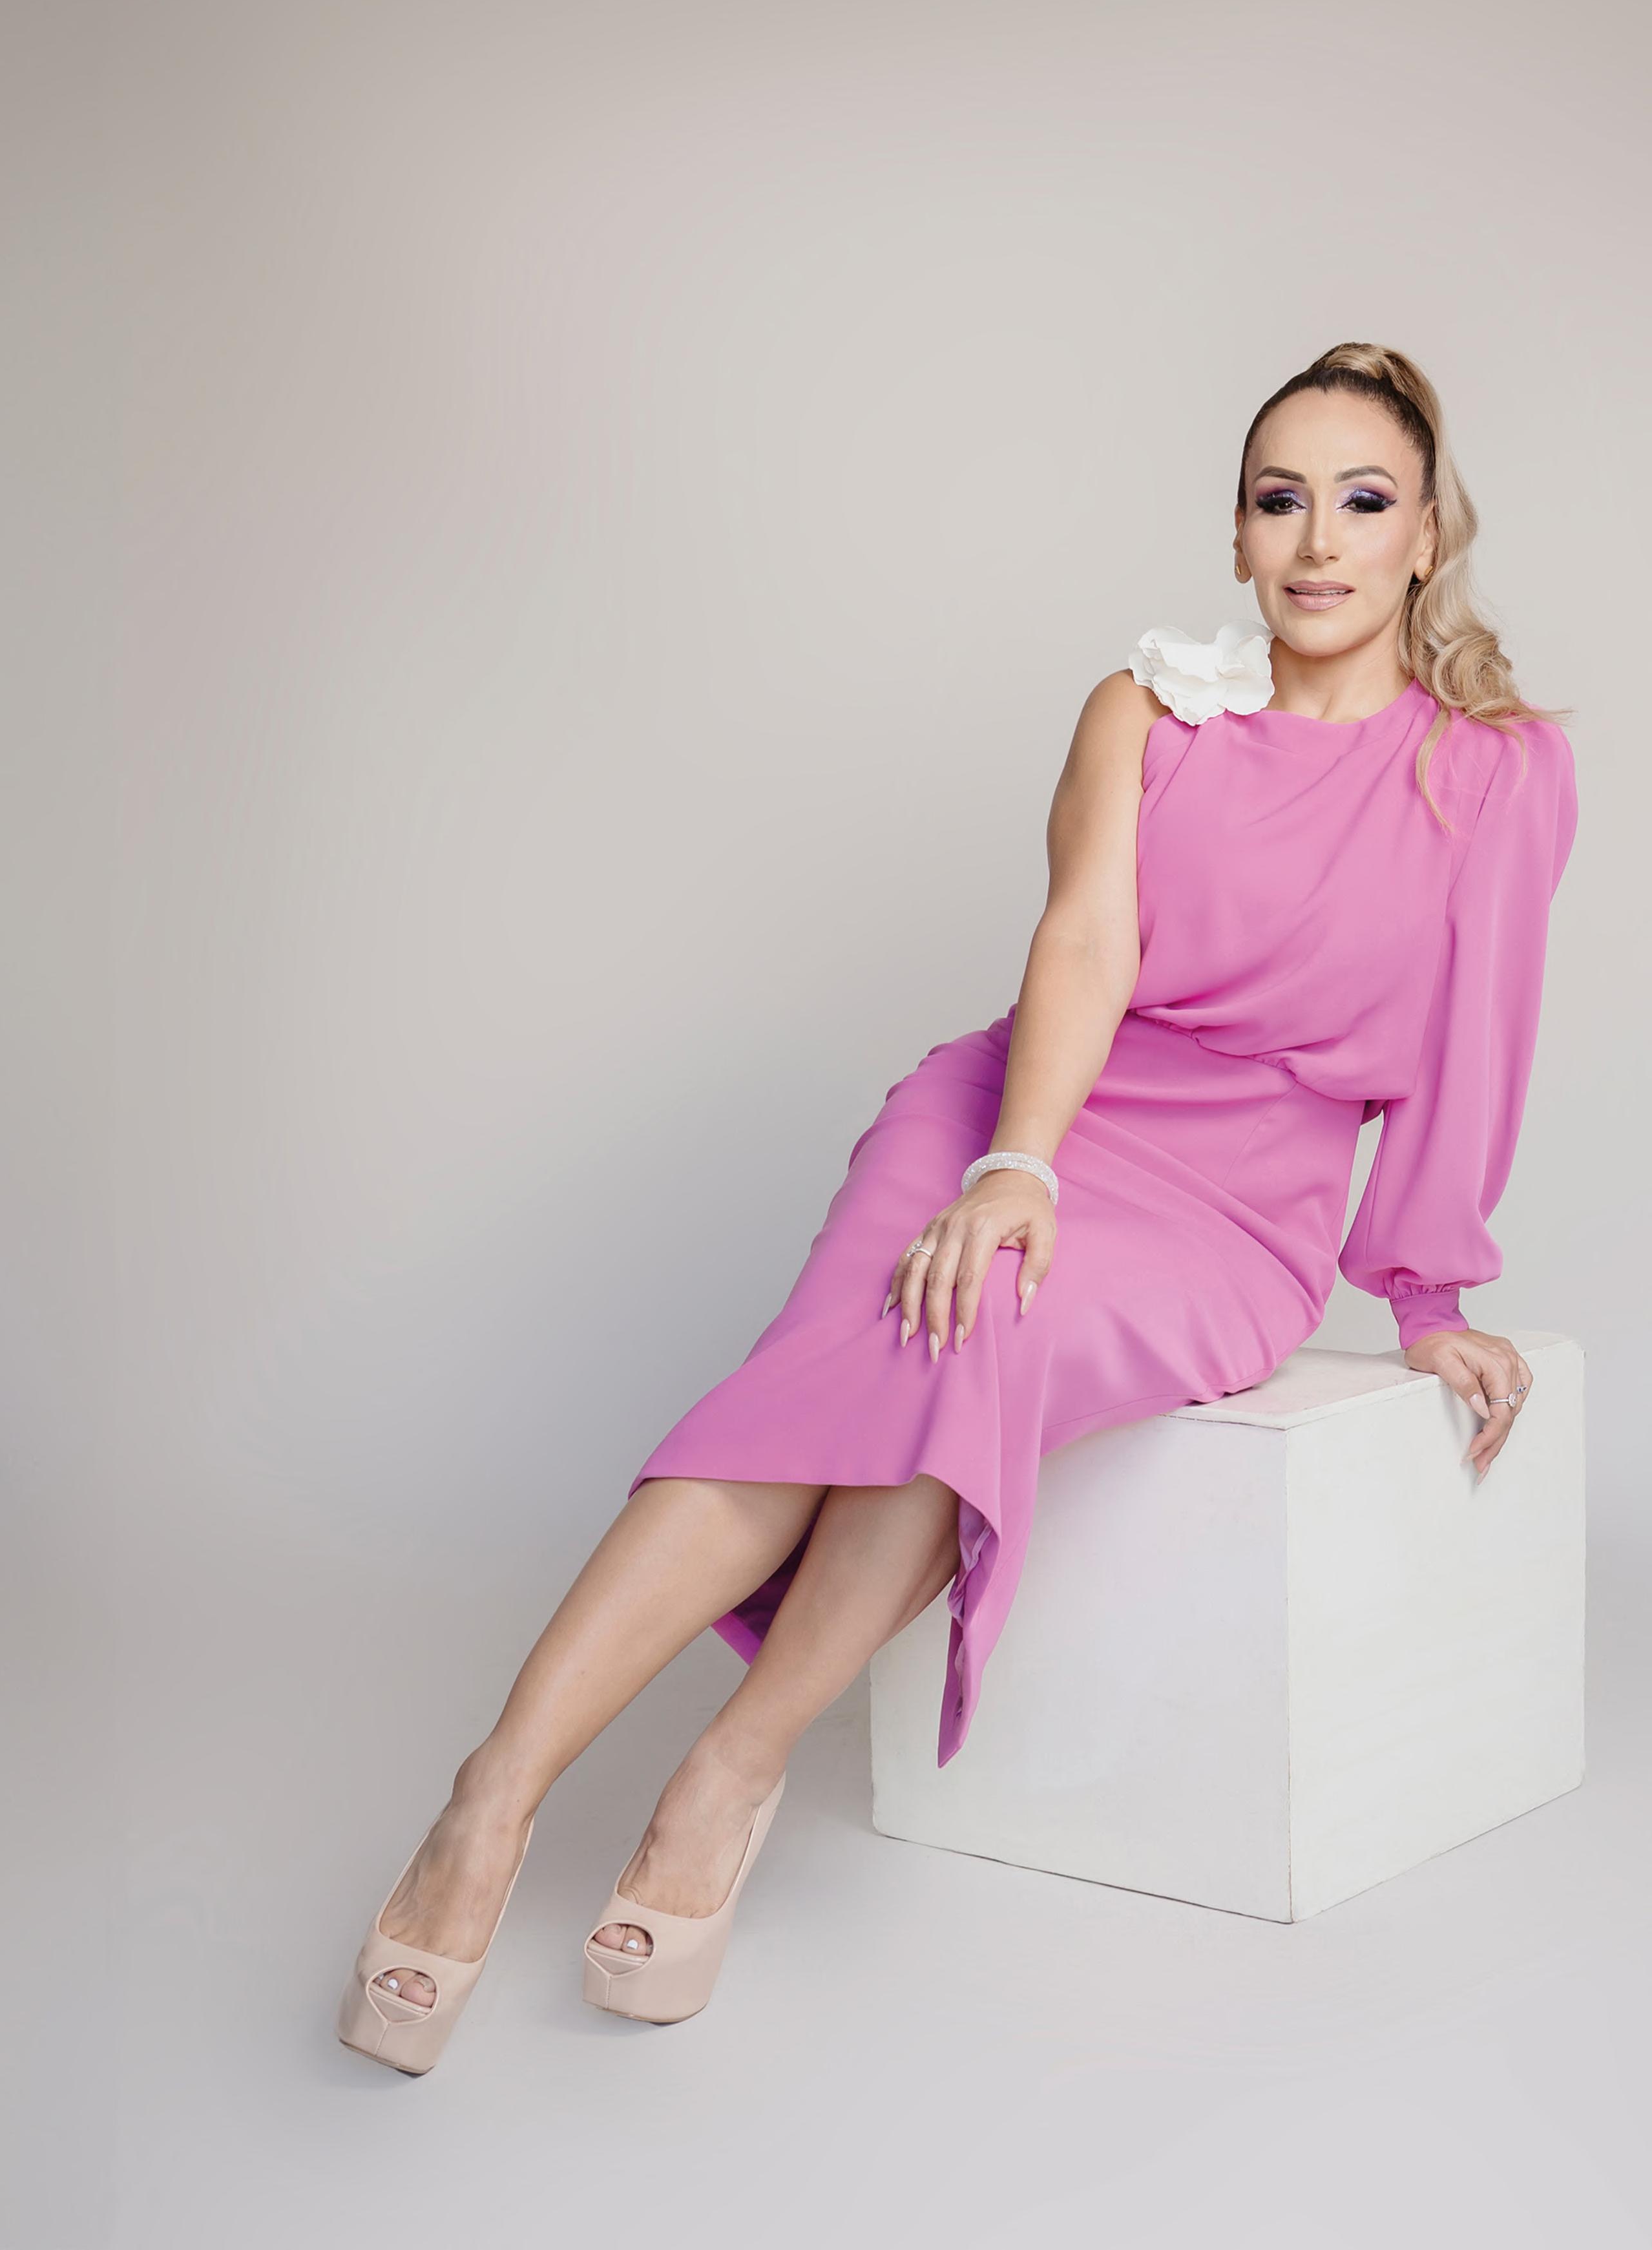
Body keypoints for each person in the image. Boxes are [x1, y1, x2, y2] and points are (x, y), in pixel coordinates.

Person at [337, 341, 1581, 2074]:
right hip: (1028, 1111)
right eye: (1278, 500)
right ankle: (491, 1797)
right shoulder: (1146, 713)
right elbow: (1084, 943)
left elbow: (1476, 1040)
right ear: (1233, 532)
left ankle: (735, 1761)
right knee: (837, 1363)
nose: (1318, 542)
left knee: (983, 1319)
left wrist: (1429, 1295)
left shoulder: (1499, 771)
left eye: (1362, 502)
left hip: (1238, 1208)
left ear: (1428, 534)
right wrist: (1018, 1160)